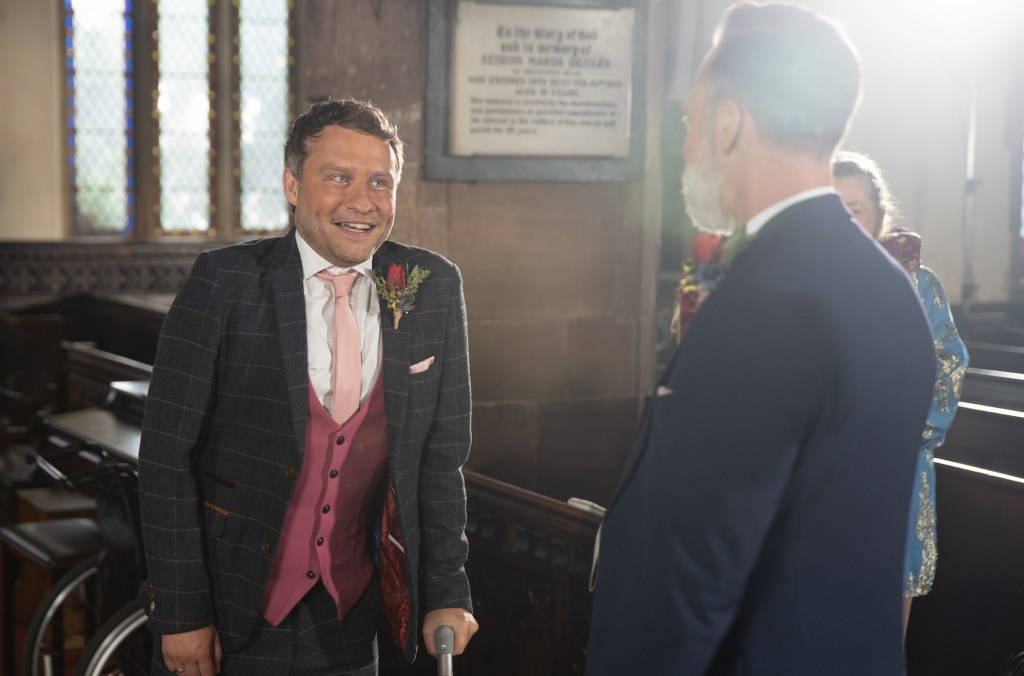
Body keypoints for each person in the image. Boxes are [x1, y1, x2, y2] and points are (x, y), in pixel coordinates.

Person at [586, 3, 937, 674]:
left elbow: (690, 573)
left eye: (691, 123)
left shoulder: (765, 301)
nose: (687, 146)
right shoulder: (889, 289)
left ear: (728, 124)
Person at [137, 98, 478, 675]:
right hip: (230, 612)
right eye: (338, 178)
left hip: (350, 615)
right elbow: (166, 457)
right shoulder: (225, 284)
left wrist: (448, 590)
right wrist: (180, 612)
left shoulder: (431, 288)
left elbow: (441, 463)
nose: (362, 201)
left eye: (379, 182)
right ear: (293, 185)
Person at [833, 150, 968, 634]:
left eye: (855, 210)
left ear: (879, 218)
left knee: (881, 639)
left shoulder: (918, 286)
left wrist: (897, 427)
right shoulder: (805, 283)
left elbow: (949, 363)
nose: (843, 221)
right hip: (819, 482)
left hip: (895, 474)